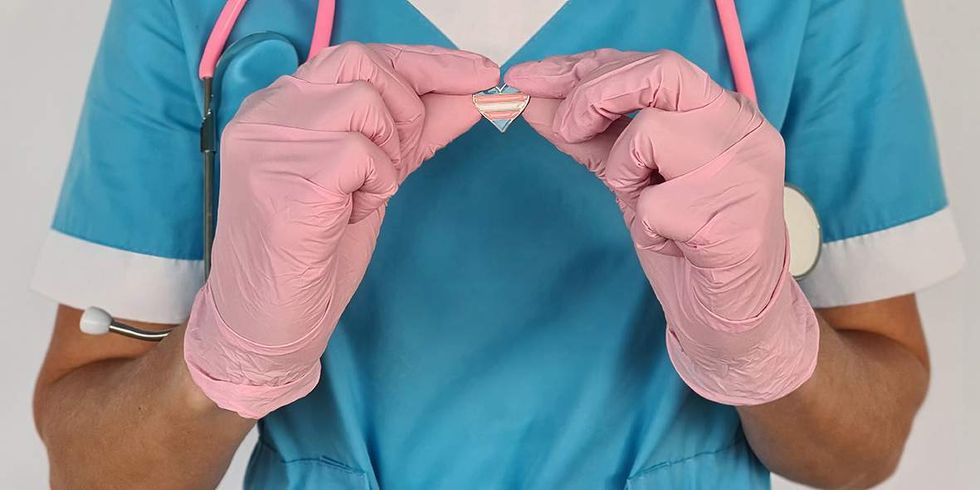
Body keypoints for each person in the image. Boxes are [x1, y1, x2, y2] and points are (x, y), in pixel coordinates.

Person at [31, 0, 964, 488]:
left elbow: (864, 451)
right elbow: (91, 468)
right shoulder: (202, 12)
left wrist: (765, 345)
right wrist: (227, 359)